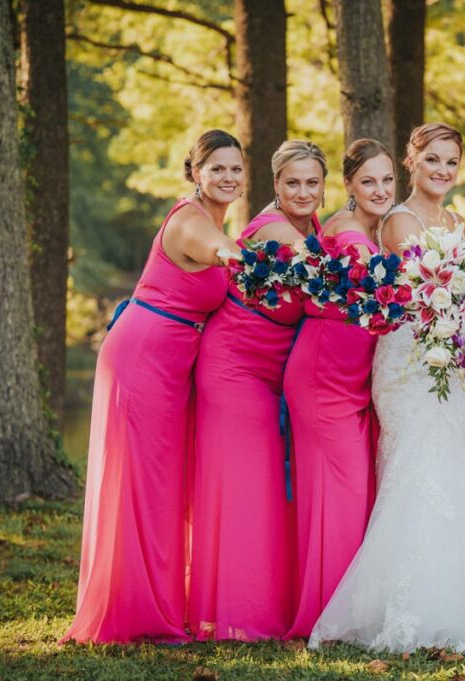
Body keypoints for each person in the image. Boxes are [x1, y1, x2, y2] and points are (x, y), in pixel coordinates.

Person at [308, 125, 465, 653]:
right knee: (419, 466)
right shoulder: (399, 219)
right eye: (432, 160)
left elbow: (460, 291)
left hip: (449, 356)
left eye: (451, 162)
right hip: (407, 360)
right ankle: (405, 606)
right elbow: (431, 284)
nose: (442, 171)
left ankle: (452, 601)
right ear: (412, 161)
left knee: (460, 463)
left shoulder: (455, 220)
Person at [62, 130, 243, 644]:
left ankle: (158, 606)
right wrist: (254, 262)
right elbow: (223, 252)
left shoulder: (214, 218)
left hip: (169, 361)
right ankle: (135, 613)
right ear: (195, 173)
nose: (228, 178)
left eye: (236, 169)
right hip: (142, 356)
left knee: (161, 483)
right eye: (218, 170)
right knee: (140, 483)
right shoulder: (191, 222)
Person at [188, 140, 327, 641]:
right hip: (235, 367)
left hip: (272, 373)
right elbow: (326, 280)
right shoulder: (273, 228)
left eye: (313, 183)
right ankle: (237, 617)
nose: (303, 191)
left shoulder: (313, 228)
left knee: (267, 490)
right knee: (246, 487)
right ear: (275, 186)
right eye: (293, 182)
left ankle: (265, 606)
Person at [282, 141, 382, 640]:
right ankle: (328, 614)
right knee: (337, 495)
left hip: (354, 377)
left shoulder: (370, 229)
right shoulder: (346, 232)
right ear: (349, 187)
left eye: (388, 181)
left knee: (351, 491)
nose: (380, 190)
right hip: (323, 374)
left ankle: (345, 606)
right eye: (369, 182)